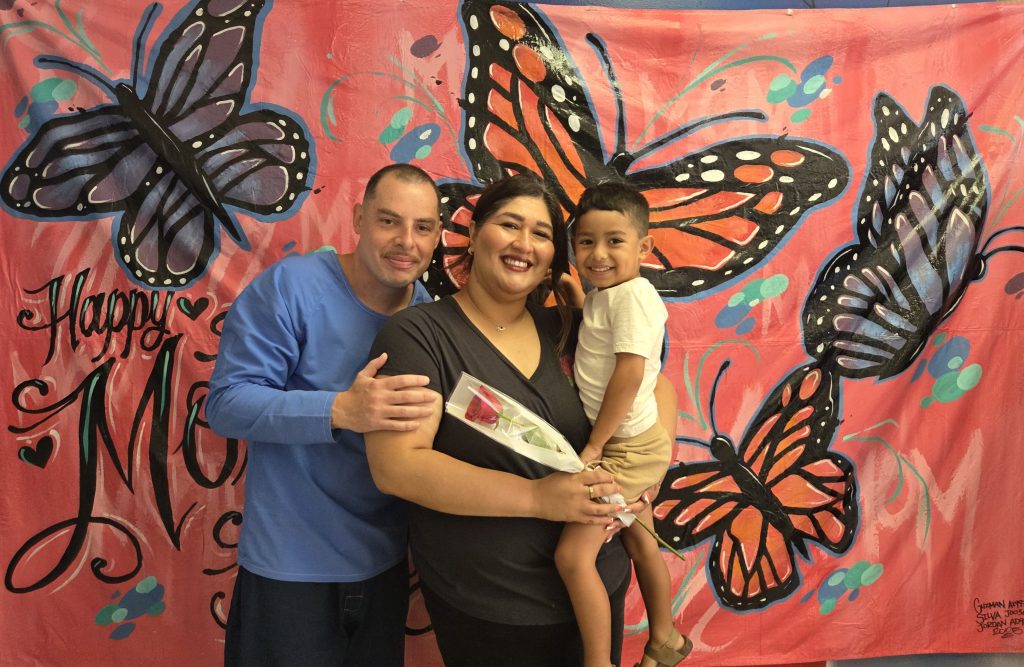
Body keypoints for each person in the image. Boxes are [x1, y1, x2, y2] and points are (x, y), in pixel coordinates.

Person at [364, 174, 678, 667]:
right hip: (492, 610)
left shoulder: (566, 327)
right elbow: (396, 467)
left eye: (542, 234)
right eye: (510, 225)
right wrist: (537, 498)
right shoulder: (418, 336)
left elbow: (654, 385)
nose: (524, 244)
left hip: (599, 590)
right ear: (473, 233)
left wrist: (647, 470)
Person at [205, 163, 443, 666]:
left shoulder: (430, 316)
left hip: (384, 567)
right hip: (290, 567)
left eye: (422, 227)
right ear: (358, 218)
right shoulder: (291, 287)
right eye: (388, 221)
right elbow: (226, 404)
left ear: (438, 235)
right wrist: (341, 409)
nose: (406, 241)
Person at [556, 182, 691, 667]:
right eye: (586, 241)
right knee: (640, 538)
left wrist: (595, 444)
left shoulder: (632, 297)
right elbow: (598, 343)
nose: (598, 253)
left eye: (615, 240)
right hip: (631, 442)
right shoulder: (607, 296)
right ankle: (665, 637)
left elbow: (631, 373)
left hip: (624, 448)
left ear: (644, 246)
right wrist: (576, 297)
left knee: (573, 558)